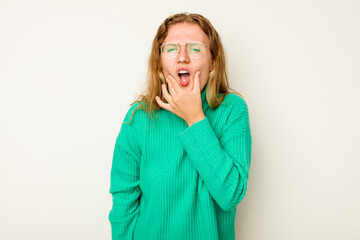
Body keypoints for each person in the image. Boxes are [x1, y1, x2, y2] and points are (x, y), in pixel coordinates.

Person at [108, 12, 252, 240]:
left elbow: (230, 194)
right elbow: (124, 203)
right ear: (159, 62)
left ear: (213, 61)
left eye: (195, 49)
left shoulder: (232, 110)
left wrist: (195, 117)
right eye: (171, 48)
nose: (183, 57)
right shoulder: (139, 117)